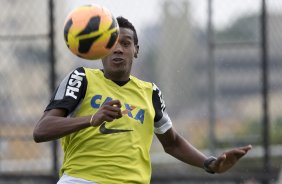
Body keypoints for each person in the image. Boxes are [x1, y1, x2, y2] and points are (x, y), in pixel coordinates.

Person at [33, 16, 252, 184]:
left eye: (126, 43)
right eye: (111, 44)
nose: (118, 49)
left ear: (136, 50)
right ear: (100, 48)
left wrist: (210, 164)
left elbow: (173, 143)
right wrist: (92, 118)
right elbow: (42, 130)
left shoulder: (150, 92)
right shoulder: (82, 78)